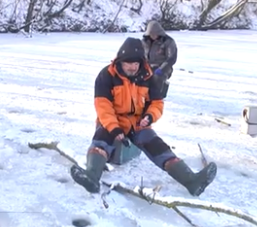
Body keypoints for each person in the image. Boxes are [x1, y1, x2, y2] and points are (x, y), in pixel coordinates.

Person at [70, 37, 217, 197]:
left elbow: (157, 103)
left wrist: (149, 116)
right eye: (129, 63)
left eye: (136, 64)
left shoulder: (149, 77)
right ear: (120, 61)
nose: (133, 67)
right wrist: (114, 128)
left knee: (159, 148)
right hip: (112, 121)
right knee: (101, 141)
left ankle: (191, 181)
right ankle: (92, 177)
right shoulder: (107, 75)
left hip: (137, 124)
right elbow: (103, 107)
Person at [141, 20, 178, 98]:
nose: (153, 36)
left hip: (162, 67)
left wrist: (162, 69)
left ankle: (157, 96)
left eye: (155, 34)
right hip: (147, 66)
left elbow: (171, 58)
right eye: (151, 34)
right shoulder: (144, 42)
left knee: (156, 78)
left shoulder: (168, 42)